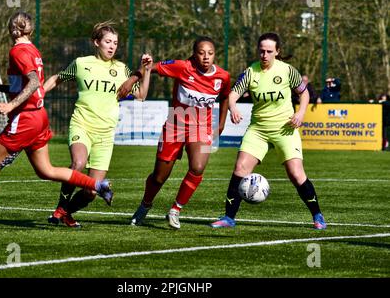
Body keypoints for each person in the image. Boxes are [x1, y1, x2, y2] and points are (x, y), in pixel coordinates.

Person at [0, 11, 112, 234]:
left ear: (12, 29)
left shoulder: (18, 51)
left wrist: (11, 106)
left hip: (25, 119)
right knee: (46, 170)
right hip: (39, 117)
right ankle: (97, 185)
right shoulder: (33, 51)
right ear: (30, 30)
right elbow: (31, 85)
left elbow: (32, 83)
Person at [210, 32, 327, 230]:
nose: (264, 55)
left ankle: (318, 216)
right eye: (261, 51)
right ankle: (229, 217)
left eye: (269, 51)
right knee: (240, 169)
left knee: (296, 174)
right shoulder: (250, 72)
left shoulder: (287, 70)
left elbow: (304, 93)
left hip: (285, 129)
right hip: (258, 130)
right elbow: (232, 95)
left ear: (277, 52)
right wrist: (234, 108)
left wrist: (301, 113)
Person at [43, 21, 152, 228]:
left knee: (91, 192)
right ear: (96, 42)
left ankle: (66, 213)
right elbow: (58, 78)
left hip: (105, 135)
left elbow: (142, 95)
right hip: (82, 124)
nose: (112, 46)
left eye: (115, 43)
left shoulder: (121, 69)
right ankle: (60, 207)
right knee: (78, 164)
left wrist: (146, 71)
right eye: (108, 42)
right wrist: (39, 93)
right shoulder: (81, 63)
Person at [119, 36, 231, 229]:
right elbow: (150, 68)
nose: (206, 57)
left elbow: (226, 96)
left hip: (201, 127)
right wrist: (132, 79)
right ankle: (145, 205)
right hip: (175, 125)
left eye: (210, 53)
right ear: (194, 54)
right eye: (201, 53)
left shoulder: (223, 76)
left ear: (215, 55)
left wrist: (221, 124)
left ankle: (175, 209)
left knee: (197, 168)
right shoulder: (182, 67)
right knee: (159, 177)